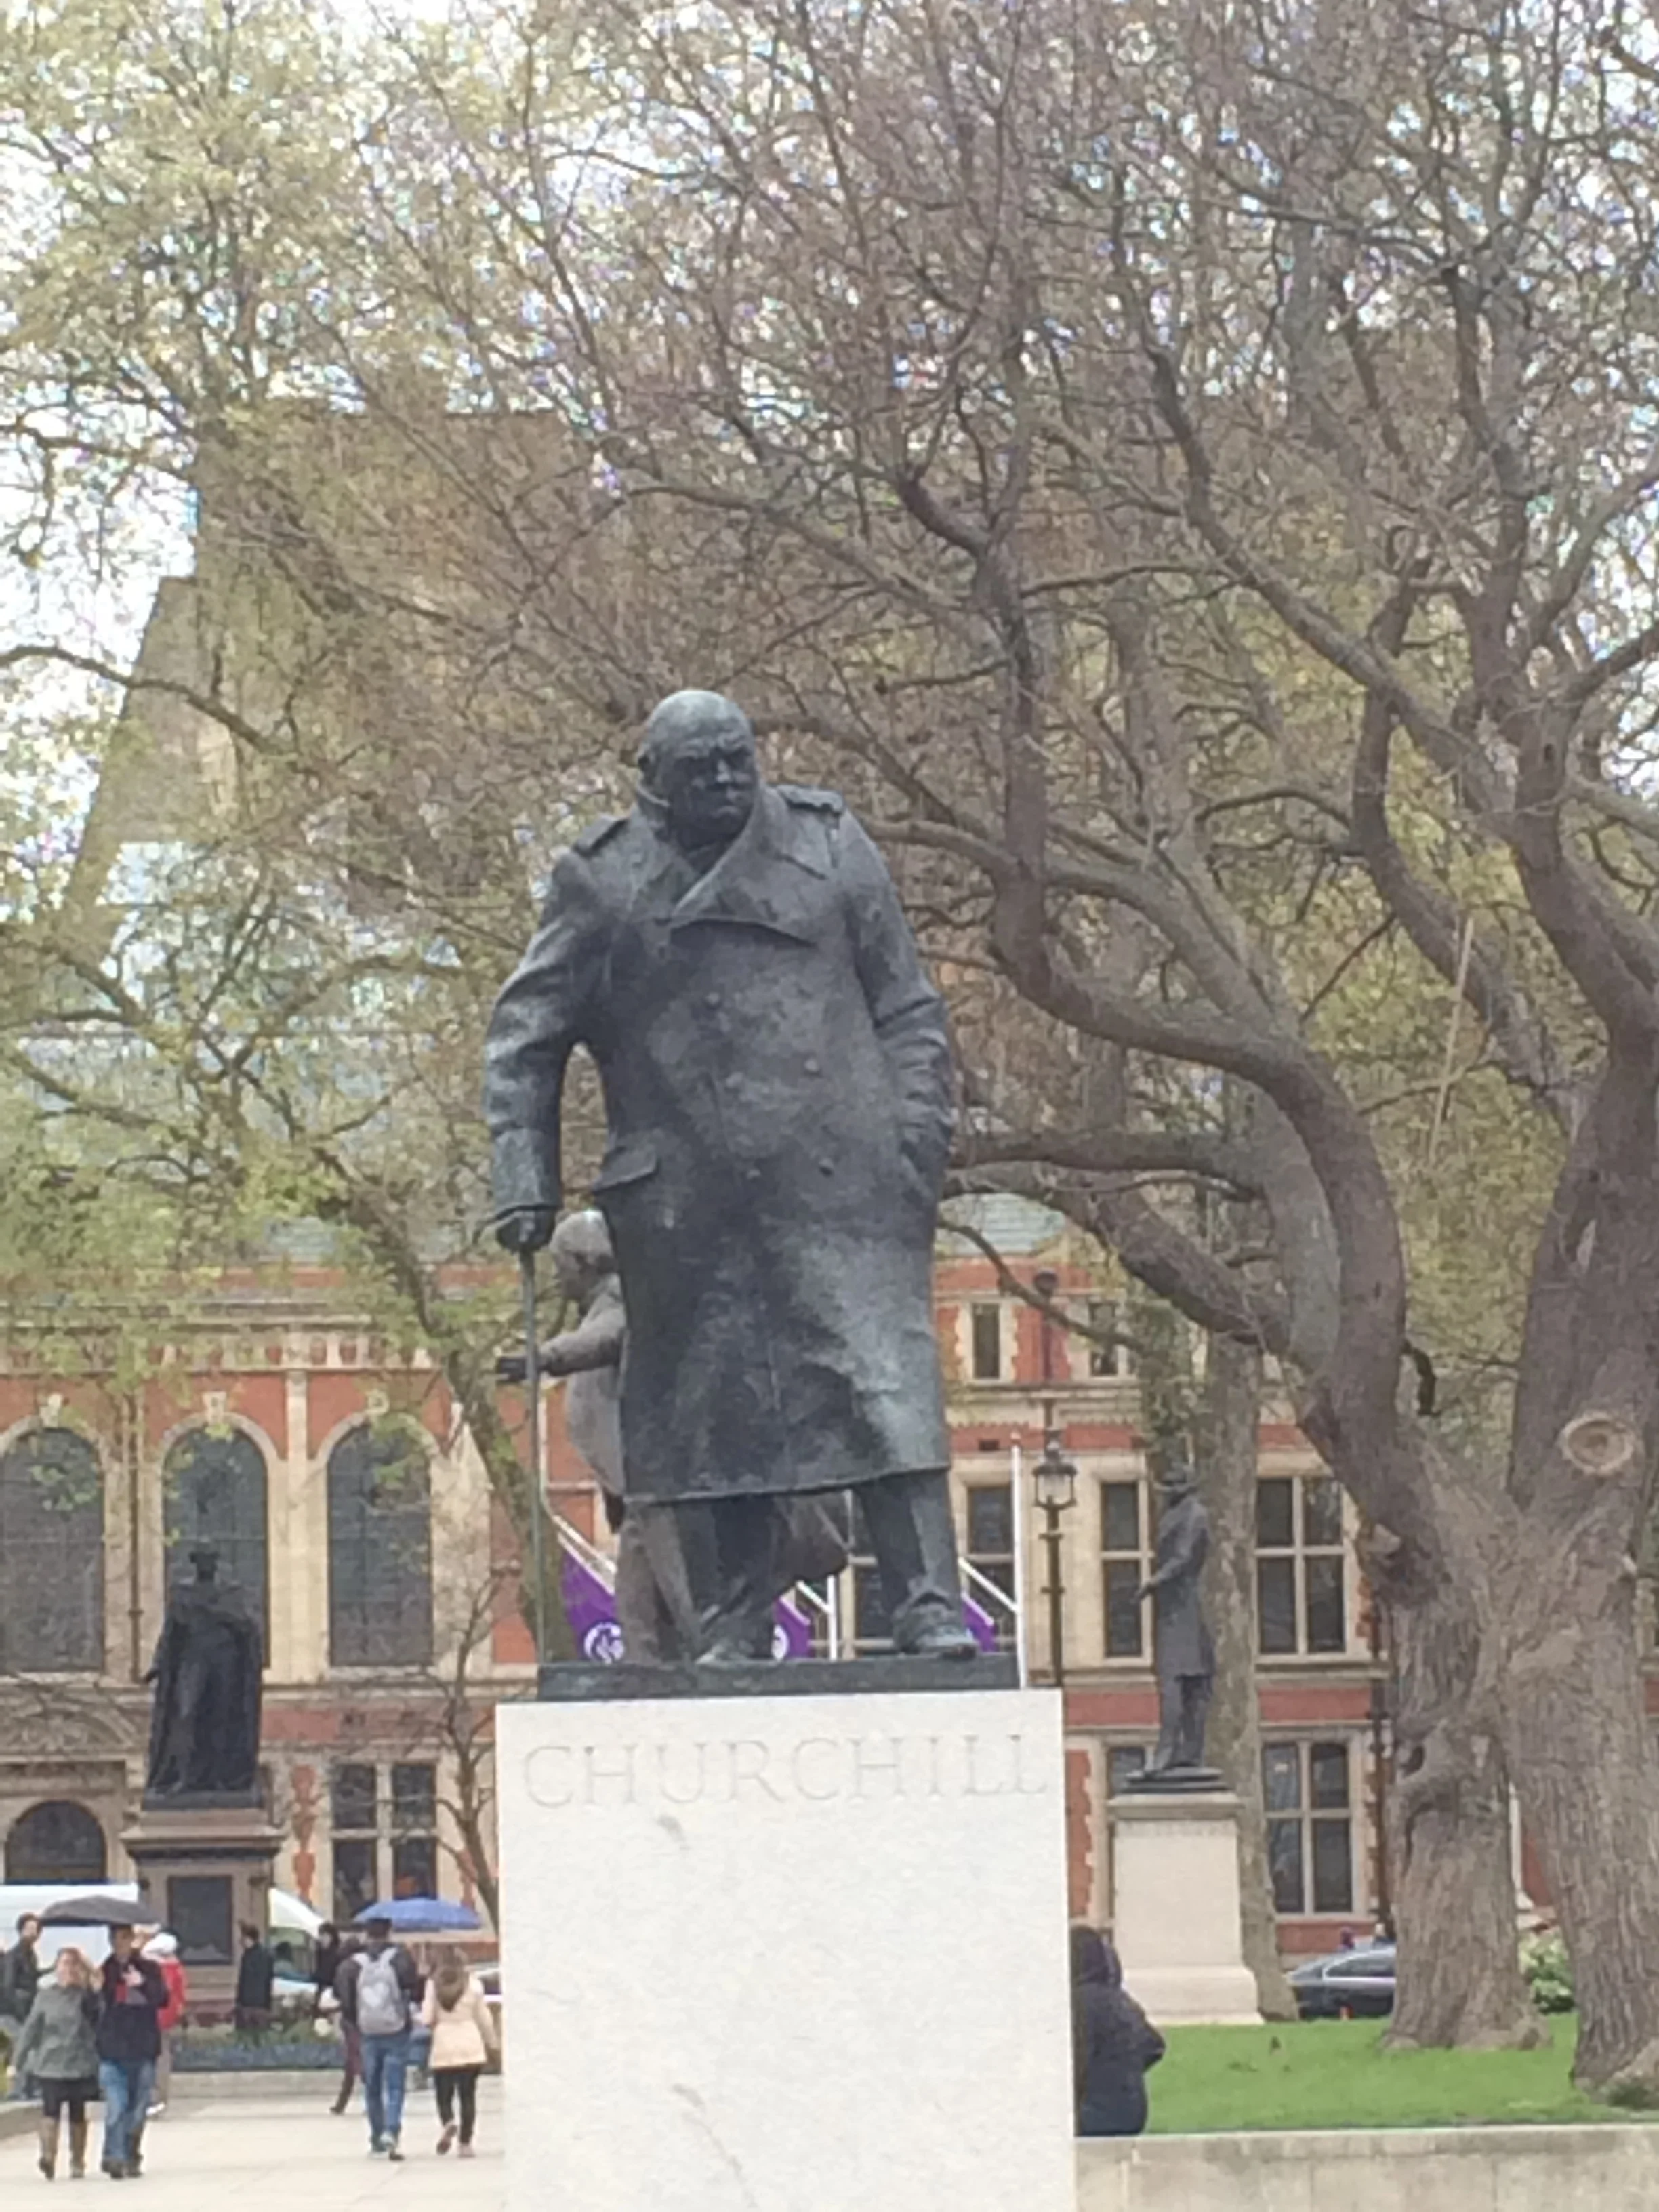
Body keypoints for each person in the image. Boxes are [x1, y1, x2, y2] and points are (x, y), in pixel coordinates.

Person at [485, 687, 975, 1662]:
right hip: (683, 1199)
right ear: (652, 783)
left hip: (843, 1181)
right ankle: (732, 1617)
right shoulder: (602, 880)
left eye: (735, 759)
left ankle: (926, 1602)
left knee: (881, 1386)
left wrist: (913, 1141)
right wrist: (522, 1173)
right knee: (716, 1410)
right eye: (698, 767)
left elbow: (908, 1008)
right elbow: (525, 1034)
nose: (721, 779)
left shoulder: (832, 846)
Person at [143, 1544, 263, 1798]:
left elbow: (246, 1626)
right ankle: (184, 1777)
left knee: (221, 1718)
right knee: (186, 1715)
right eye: (202, 1561)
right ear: (196, 1564)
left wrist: (220, 1614)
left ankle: (220, 1778)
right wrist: (157, 1664)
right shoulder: (183, 1593)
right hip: (192, 1660)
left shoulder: (230, 1594)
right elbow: (170, 1633)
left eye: (210, 1560)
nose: (207, 1565)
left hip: (225, 1660)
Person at [335, 1917, 420, 2160]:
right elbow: (413, 1989)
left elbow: (345, 1999)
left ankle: (376, 2137)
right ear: (389, 1933)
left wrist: (357, 2024)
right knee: (395, 2085)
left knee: (372, 2086)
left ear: (366, 1934)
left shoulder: (352, 1965)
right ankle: (392, 2130)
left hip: (368, 2033)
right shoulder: (401, 1959)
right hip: (396, 2031)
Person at [12, 1946, 99, 2179]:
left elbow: (97, 2011)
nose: (68, 1969)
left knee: (77, 2112)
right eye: (64, 1964)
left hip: (79, 2060)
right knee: (50, 2110)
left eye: (72, 1964)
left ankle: (77, 2160)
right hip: (51, 2061)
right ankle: (48, 2156)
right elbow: (31, 2029)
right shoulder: (45, 1996)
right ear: (56, 1967)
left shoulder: (84, 1996)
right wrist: (17, 2061)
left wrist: (89, 1971)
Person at [1070, 1925, 1165, 2139]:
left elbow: (1077, 2060)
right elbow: (1155, 2045)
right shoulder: (1122, 2001)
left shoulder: (1080, 2004)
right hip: (1134, 2116)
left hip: (1092, 2117)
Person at [95, 1925, 167, 2179]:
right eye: (116, 1939)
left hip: (142, 2047)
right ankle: (114, 2156)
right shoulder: (104, 1971)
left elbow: (162, 1999)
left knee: (138, 2109)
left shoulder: (149, 1968)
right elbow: (93, 2011)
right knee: (116, 2106)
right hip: (113, 2048)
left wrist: (143, 1984)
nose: (121, 1944)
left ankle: (131, 2153)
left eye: (125, 1938)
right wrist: (96, 1990)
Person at [420, 1947, 496, 2159]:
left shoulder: (433, 1985)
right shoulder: (474, 1985)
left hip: (444, 2044)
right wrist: (492, 2042)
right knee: (468, 2095)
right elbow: (485, 2019)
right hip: (470, 2044)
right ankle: (465, 2144)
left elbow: (426, 2018)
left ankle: (448, 2121)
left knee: (444, 2094)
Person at [142, 1933, 186, 2114]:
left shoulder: (151, 1969)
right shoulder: (176, 1968)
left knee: (150, 2059)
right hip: (167, 2018)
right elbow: (180, 1996)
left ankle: (152, 2096)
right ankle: (160, 2096)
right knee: (162, 2058)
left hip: (149, 2018)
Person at [3, 1913, 43, 2098]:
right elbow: (8, 1986)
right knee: (22, 2046)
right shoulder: (14, 1956)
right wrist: (20, 2013)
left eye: (36, 1930)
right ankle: (19, 2090)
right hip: (12, 2012)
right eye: (29, 1929)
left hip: (25, 2010)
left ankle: (26, 2088)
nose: (33, 1933)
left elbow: (31, 1979)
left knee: (25, 2046)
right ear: (21, 1931)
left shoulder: (30, 1955)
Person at [233, 1923, 274, 2034]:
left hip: (251, 2005)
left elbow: (244, 1981)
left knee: (247, 2036)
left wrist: (240, 2001)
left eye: (244, 1938)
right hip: (259, 2004)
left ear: (250, 1939)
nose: (241, 1941)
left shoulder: (249, 1957)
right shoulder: (265, 1956)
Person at [312, 1924, 343, 2018]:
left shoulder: (337, 1953)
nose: (321, 1938)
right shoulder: (320, 1952)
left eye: (324, 1936)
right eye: (320, 1935)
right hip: (321, 1990)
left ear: (331, 1937)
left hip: (332, 1992)